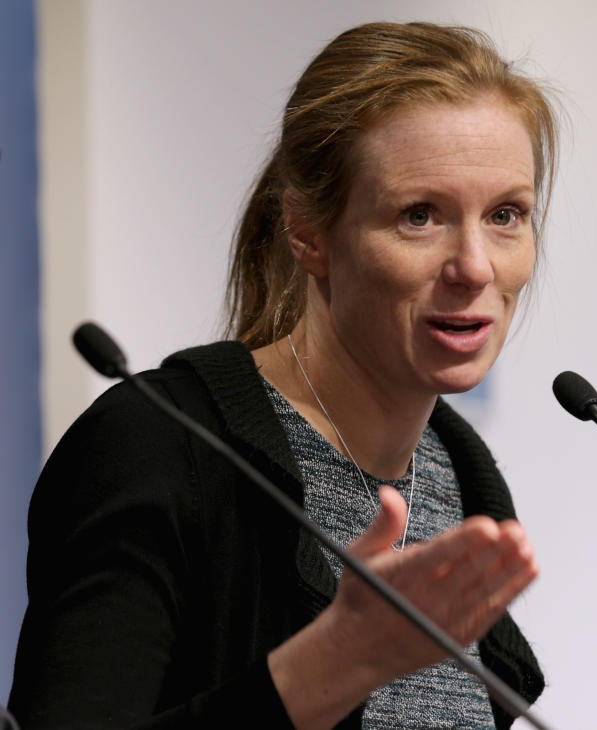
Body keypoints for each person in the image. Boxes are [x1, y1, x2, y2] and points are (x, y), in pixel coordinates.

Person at [8, 21, 558, 730]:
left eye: (506, 215)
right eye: (420, 216)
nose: (476, 267)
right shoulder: (157, 448)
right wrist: (330, 667)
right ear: (307, 230)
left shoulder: (462, 477)